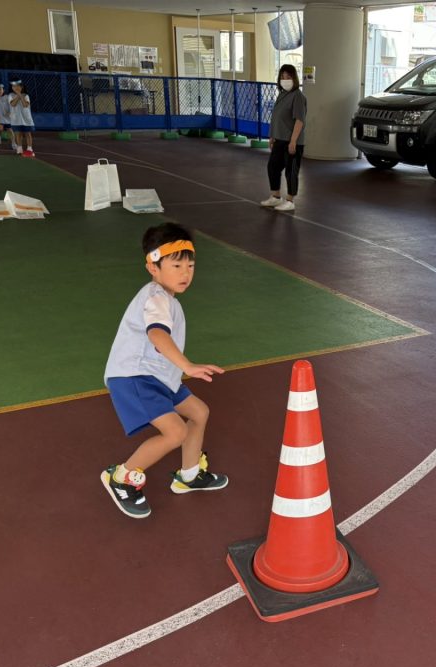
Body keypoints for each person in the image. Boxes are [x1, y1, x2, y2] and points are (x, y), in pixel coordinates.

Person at [101, 223, 229, 518]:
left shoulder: (167, 299)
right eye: (176, 265)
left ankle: (189, 475)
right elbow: (157, 334)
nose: (186, 273)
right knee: (175, 432)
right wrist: (187, 366)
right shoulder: (156, 298)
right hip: (135, 376)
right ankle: (121, 478)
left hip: (159, 377)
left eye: (190, 266)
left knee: (199, 412)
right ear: (153, 267)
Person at [259, 64, 306, 213]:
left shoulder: (298, 96)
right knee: (273, 166)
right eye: (282, 77)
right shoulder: (282, 94)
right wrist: (272, 136)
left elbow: (299, 120)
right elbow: (277, 118)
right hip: (279, 139)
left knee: (291, 172)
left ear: (294, 78)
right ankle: (275, 196)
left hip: (292, 141)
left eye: (288, 77)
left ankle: (290, 200)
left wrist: (293, 141)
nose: (285, 80)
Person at [8, 79, 35, 157]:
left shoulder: (26, 96)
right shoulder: (10, 95)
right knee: (18, 134)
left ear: (22, 87)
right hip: (16, 119)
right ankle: (19, 148)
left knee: (28, 134)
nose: (16, 88)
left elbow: (25, 105)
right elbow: (13, 104)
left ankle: (30, 149)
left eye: (18, 86)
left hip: (26, 119)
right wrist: (18, 95)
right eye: (13, 86)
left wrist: (20, 95)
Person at [0, 82, 13, 149]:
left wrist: (10, 112)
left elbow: (12, 105)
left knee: (10, 130)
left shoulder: (7, 97)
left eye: (0, 89)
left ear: (3, 90)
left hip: (7, 117)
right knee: (0, 129)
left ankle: (14, 143)